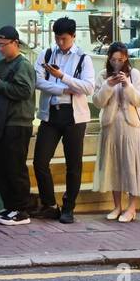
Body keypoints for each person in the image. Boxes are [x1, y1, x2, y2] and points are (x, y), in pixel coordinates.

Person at [33, 16, 96, 224]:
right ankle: (50, 204)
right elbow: (39, 82)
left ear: (73, 36)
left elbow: (88, 87)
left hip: (74, 117)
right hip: (51, 114)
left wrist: (62, 76)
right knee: (40, 162)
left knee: (74, 164)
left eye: (64, 39)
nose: (60, 43)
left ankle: (69, 207)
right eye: (58, 38)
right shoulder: (47, 53)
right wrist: (63, 88)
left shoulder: (83, 58)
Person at [0, 26, 36, 226]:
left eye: (4, 45)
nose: (1, 49)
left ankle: (21, 210)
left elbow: (23, 91)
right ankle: (10, 206)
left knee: (15, 167)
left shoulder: (24, 66)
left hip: (17, 122)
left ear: (15, 43)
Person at [91, 42, 140, 222]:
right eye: (114, 60)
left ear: (126, 59)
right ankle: (117, 206)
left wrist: (127, 85)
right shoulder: (102, 75)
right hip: (110, 126)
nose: (117, 63)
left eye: (121, 60)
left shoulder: (135, 74)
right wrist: (108, 85)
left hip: (130, 127)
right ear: (109, 59)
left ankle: (132, 207)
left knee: (131, 166)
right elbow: (97, 102)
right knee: (114, 166)